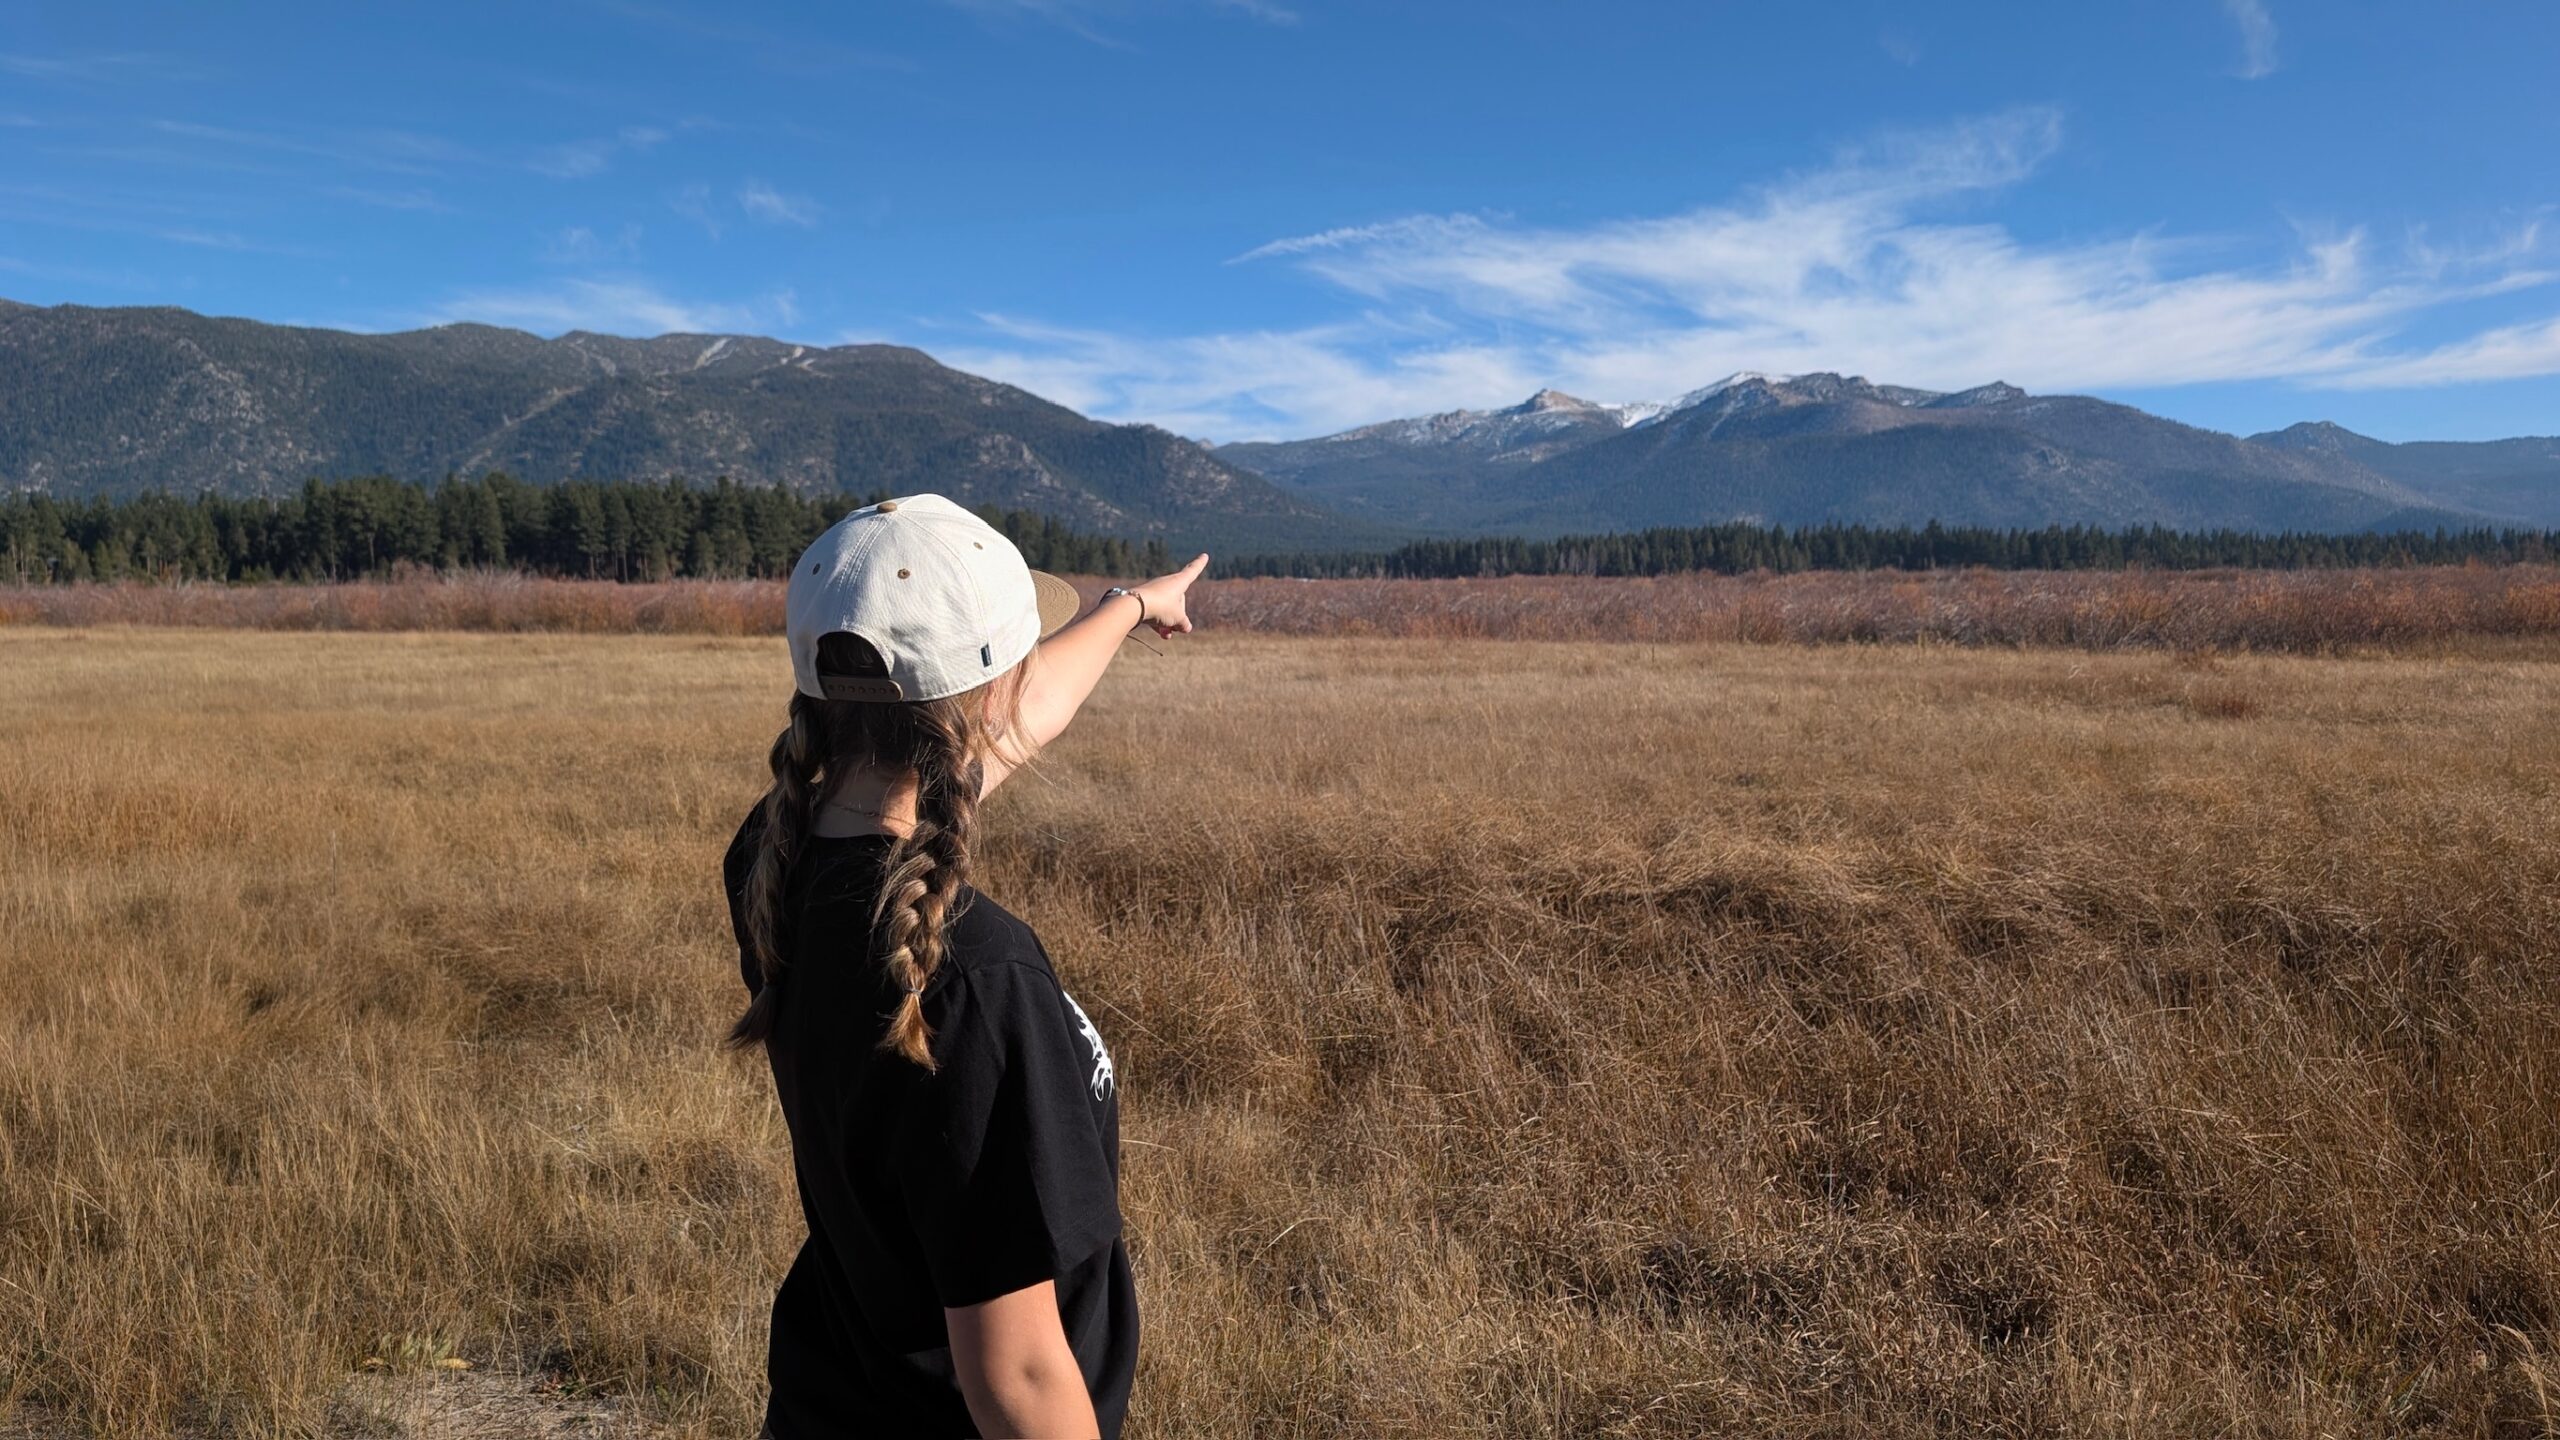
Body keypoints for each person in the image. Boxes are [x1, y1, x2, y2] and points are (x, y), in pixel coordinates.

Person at [721, 493, 1207, 1439]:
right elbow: (1015, 1376)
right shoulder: (977, 982)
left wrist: (1131, 606)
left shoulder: (771, 863)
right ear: (988, 700)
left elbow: (1013, 722)